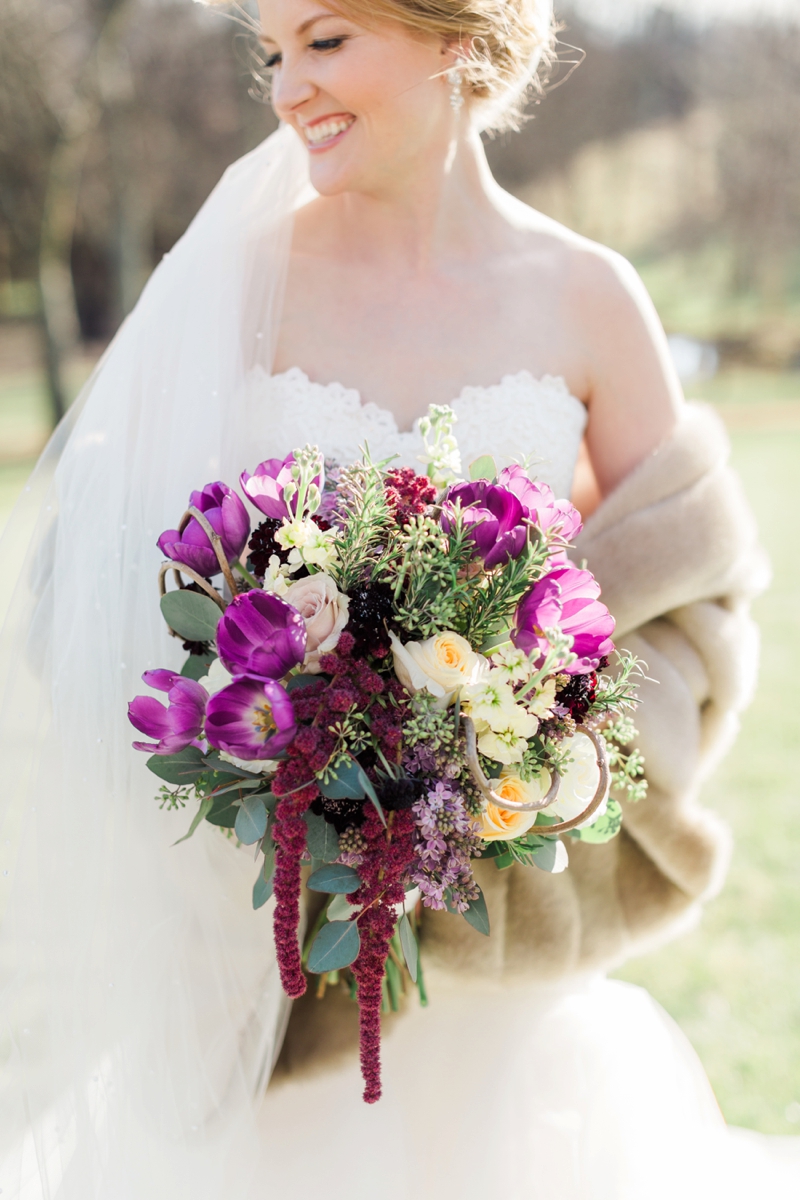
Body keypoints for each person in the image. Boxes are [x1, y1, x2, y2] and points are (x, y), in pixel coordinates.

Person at [0, 0, 798, 1196]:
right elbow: (102, 584)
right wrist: (278, 783)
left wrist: (525, 767)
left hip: (505, 955)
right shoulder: (232, 287)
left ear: (460, 43)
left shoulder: (588, 294)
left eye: (325, 42)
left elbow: (686, 598)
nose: (285, 92)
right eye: (272, 54)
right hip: (280, 974)